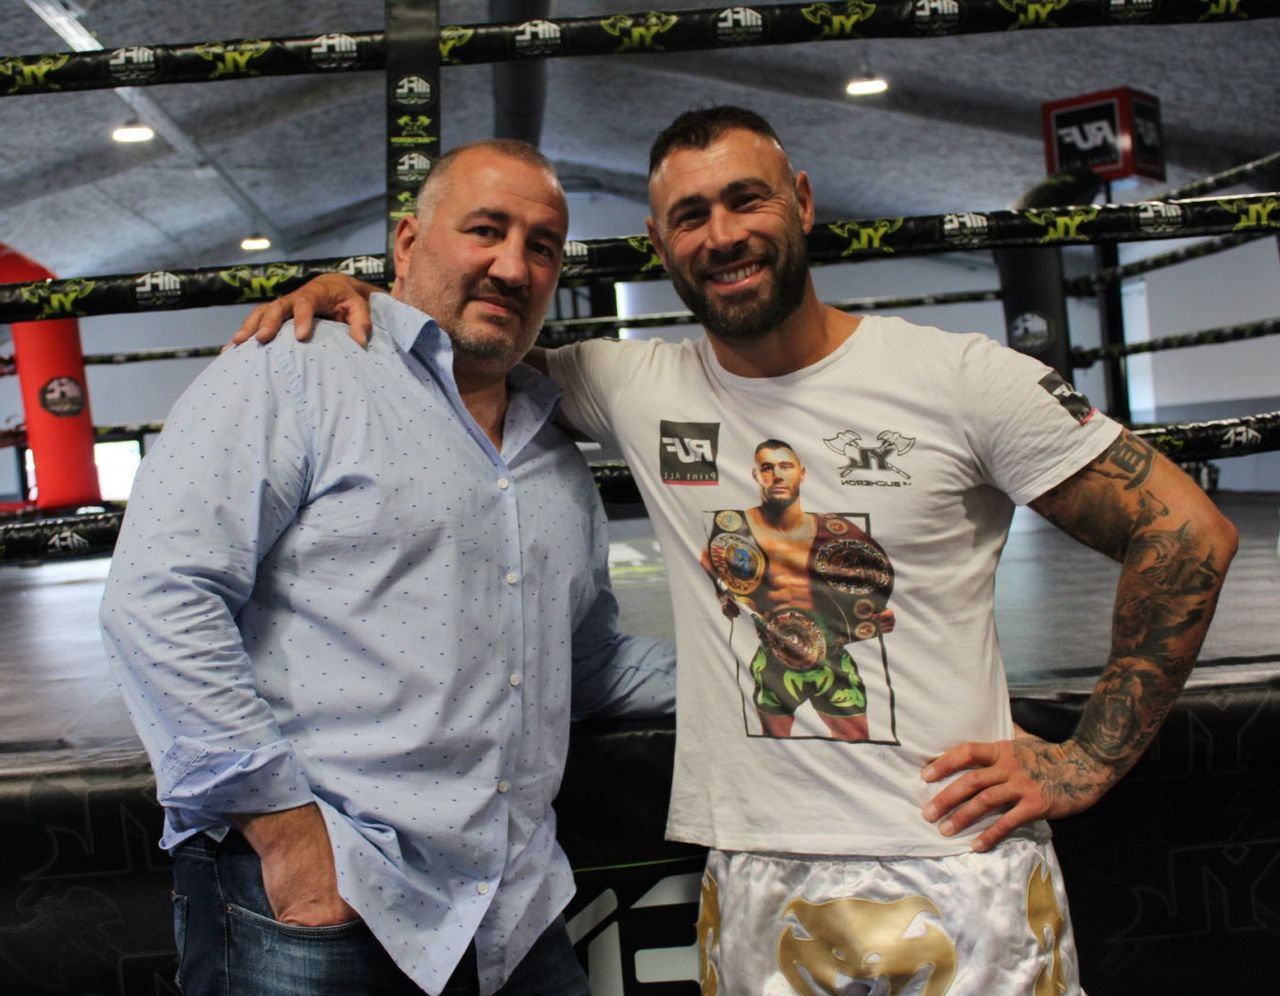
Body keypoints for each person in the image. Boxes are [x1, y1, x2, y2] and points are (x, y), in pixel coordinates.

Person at [235, 107, 1237, 994]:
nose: (721, 235)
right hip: (754, 873)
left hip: (954, 865)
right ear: (661, 245)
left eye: (743, 200)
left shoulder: (959, 378)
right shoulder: (634, 386)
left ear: (798, 201)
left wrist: (1086, 760)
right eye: (688, 217)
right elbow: (469, 334)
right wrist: (365, 288)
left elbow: (1183, 529)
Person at [100, 139, 676, 996]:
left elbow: (584, 662)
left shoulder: (556, 451)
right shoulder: (293, 368)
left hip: (512, 914)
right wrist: (288, 837)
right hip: (324, 901)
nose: (513, 266)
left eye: (543, 245)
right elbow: (158, 599)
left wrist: (768, 672)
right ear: (408, 244)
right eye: (485, 229)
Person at [702, 437, 895, 741]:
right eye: (767, 467)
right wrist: (721, 593)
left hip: (832, 659)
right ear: (755, 475)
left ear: (801, 473)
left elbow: (874, 582)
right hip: (773, 661)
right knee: (774, 748)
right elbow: (707, 560)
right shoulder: (734, 528)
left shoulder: (836, 531)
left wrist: (874, 619)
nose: (777, 475)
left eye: (786, 466)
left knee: (860, 743)